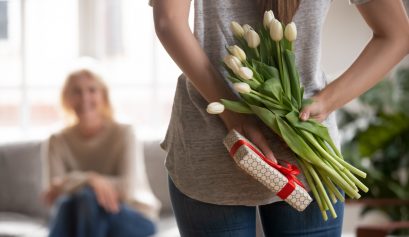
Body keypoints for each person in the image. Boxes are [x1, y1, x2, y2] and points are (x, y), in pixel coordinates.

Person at [152, 0, 409, 236]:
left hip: (215, 139)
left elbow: (168, 21)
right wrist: (324, 102)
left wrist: (233, 114)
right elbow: (396, 35)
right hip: (308, 150)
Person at [42, 67, 160, 237]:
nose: (84, 98)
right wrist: (90, 179)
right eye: (76, 91)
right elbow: (53, 193)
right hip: (80, 216)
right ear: (67, 98)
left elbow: (126, 188)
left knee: (87, 196)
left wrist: (81, 183)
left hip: (133, 216)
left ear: (103, 95)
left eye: (92, 90)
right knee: (69, 203)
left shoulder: (125, 133)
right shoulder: (57, 140)